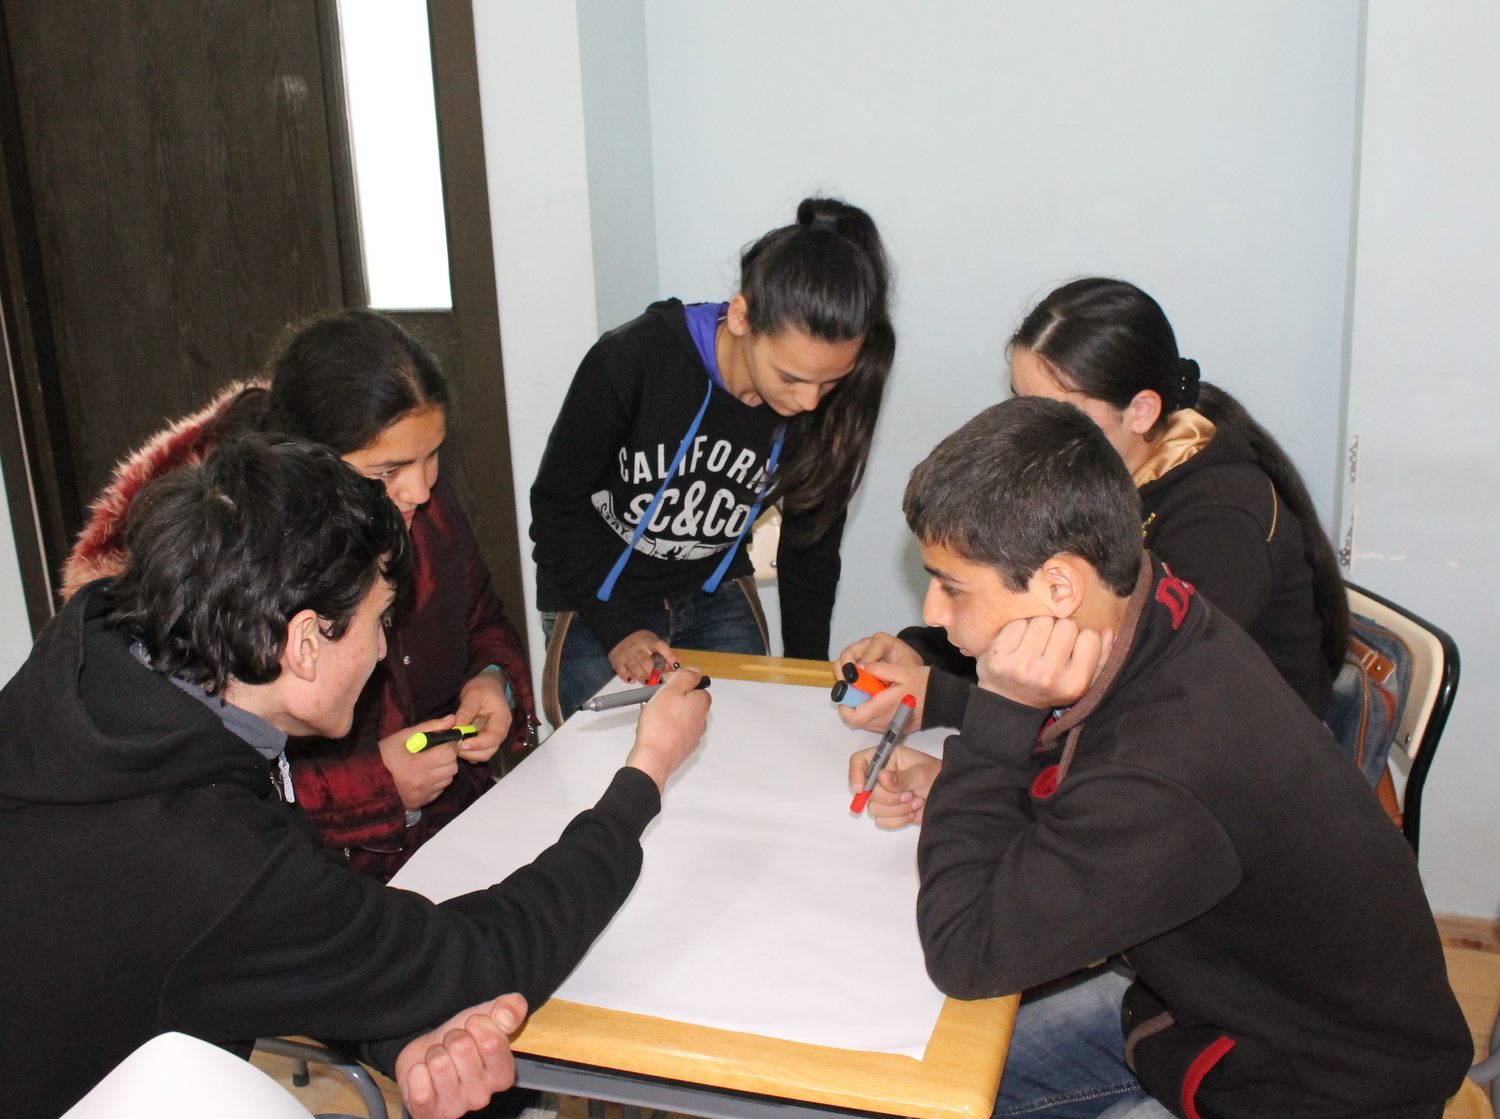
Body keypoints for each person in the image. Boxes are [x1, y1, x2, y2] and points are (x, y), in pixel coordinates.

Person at [0, 436, 709, 1119]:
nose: (381, 650)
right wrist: (643, 774)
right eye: (380, 620)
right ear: (305, 642)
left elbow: (256, 951)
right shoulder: (215, 853)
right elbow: (475, 956)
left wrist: (395, 1034)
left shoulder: (89, 668)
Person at [846, 397, 1468, 1118]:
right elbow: (1089, 791)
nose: (931, 611)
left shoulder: (1167, 765)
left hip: (1316, 1089)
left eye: (952, 586)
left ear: (1059, 587)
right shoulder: (1151, 604)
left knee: (935, 1074)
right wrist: (971, 782)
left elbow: (967, 952)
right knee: (925, 1087)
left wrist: (994, 729)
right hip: (1203, 1012)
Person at [61, 309, 535, 880]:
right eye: (387, 471)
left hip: (459, 833)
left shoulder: (428, 510)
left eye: (432, 455)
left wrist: (492, 680)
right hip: (323, 873)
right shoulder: (237, 566)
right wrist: (376, 785)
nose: (419, 488)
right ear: (306, 460)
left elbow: (482, 615)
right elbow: (201, 781)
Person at [842, 277, 1347, 743]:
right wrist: (923, 655)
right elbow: (1024, 604)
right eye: (1020, 403)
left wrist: (943, 698)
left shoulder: (1221, 520)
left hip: (1229, 754)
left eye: (1057, 413)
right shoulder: (1088, 476)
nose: (1031, 431)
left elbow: (1135, 697)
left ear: (1141, 411)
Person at [531, 197, 894, 722]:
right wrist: (617, 627)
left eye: (830, 381)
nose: (810, 401)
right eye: (790, 377)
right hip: (597, 595)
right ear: (742, 317)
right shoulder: (634, 360)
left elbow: (811, 547)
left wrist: (805, 676)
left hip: (712, 595)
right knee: (606, 761)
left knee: (749, 745)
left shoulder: (828, 403)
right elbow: (555, 506)